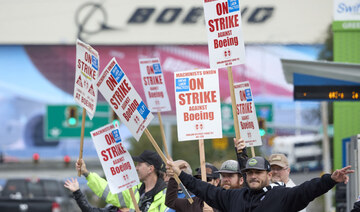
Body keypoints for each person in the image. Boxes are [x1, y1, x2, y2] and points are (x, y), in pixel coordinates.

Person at [167, 156, 354, 212]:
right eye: (250, 173)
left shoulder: (281, 196)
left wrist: (330, 180)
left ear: (269, 174)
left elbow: (307, 190)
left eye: (258, 172)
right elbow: (204, 189)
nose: (254, 176)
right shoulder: (234, 197)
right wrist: (180, 175)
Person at [76, 150, 168, 212]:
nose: (136, 168)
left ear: (150, 169)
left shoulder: (166, 196)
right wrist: (86, 173)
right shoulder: (135, 190)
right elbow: (109, 191)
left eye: (140, 165)